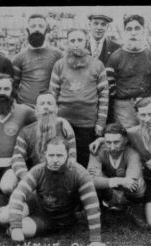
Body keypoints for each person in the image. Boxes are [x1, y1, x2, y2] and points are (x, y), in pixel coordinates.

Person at [90, 97, 151, 237]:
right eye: (143, 115)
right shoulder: (133, 132)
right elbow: (117, 135)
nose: (147, 119)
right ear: (137, 115)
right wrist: (101, 140)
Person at [0, 137, 109, 246]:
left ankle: (10, 224)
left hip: (57, 219)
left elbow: (92, 206)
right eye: (51, 155)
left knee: (24, 230)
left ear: (68, 155)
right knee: (5, 217)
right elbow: (18, 195)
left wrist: (95, 240)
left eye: (59, 155)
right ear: (45, 155)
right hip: (35, 204)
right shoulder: (38, 170)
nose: (54, 160)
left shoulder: (80, 173)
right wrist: (16, 227)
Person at [49, 28, 109, 168]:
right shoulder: (59, 65)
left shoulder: (97, 65)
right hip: (63, 122)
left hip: (87, 123)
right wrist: (53, 120)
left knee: (82, 160)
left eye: (80, 40)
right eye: (73, 40)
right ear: (67, 43)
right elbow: (52, 94)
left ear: (86, 42)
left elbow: (104, 96)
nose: (76, 44)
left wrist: (100, 122)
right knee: (62, 157)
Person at [0, 73, 36, 202]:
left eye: (6, 89)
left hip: (13, 165)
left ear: (13, 91)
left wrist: (62, 122)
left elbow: (43, 119)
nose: (2, 93)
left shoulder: (24, 111)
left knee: (7, 187)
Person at [11, 91, 77, 188]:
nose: (46, 107)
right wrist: (27, 178)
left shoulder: (65, 128)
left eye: (50, 104)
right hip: (35, 178)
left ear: (56, 109)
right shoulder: (26, 132)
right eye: (42, 104)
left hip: (61, 176)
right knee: (7, 184)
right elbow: (17, 158)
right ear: (36, 110)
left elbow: (72, 156)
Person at [106, 14, 151, 129]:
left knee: (149, 137)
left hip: (147, 104)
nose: (133, 33)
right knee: (128, 138)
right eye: (129, 29)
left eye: (137, 28)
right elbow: (110, 87)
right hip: (124, 106)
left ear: (143, 31)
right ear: (124, 32)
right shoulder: (116, 57)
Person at [87, 122, 146, 225]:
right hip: (108, 190)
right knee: (92, 186)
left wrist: (101, 177)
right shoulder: (97, 150)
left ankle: (136, 209)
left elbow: (131, 182)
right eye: (108, 142)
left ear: (125, 140)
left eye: (116, 142)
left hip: (125, 192)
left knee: (138, 185)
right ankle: (99, 212)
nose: (112, 147)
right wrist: (119, 180)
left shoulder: (132, 154)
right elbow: (90, 180)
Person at [12, 14, 63, 108]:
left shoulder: (58, 55)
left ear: (46, 30)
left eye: (41, 26)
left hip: (49, 109)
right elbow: (14, 85)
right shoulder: (18, 58)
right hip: (25, 108)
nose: (37, 29)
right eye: (33, 26)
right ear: (27, 30)